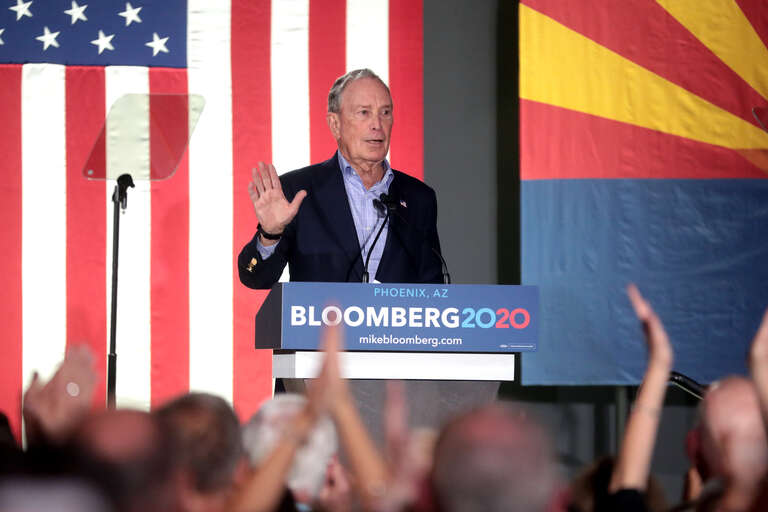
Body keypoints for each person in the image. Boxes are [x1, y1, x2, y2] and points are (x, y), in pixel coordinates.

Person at [238, 68, 444, 289]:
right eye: (364, 112)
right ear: (335, 124)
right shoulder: (297, 190)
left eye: (385, 112)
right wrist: (269, 234)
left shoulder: (418, 198)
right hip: (324, 324)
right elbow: (256, 278)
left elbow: (434, 288)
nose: (377, 124)